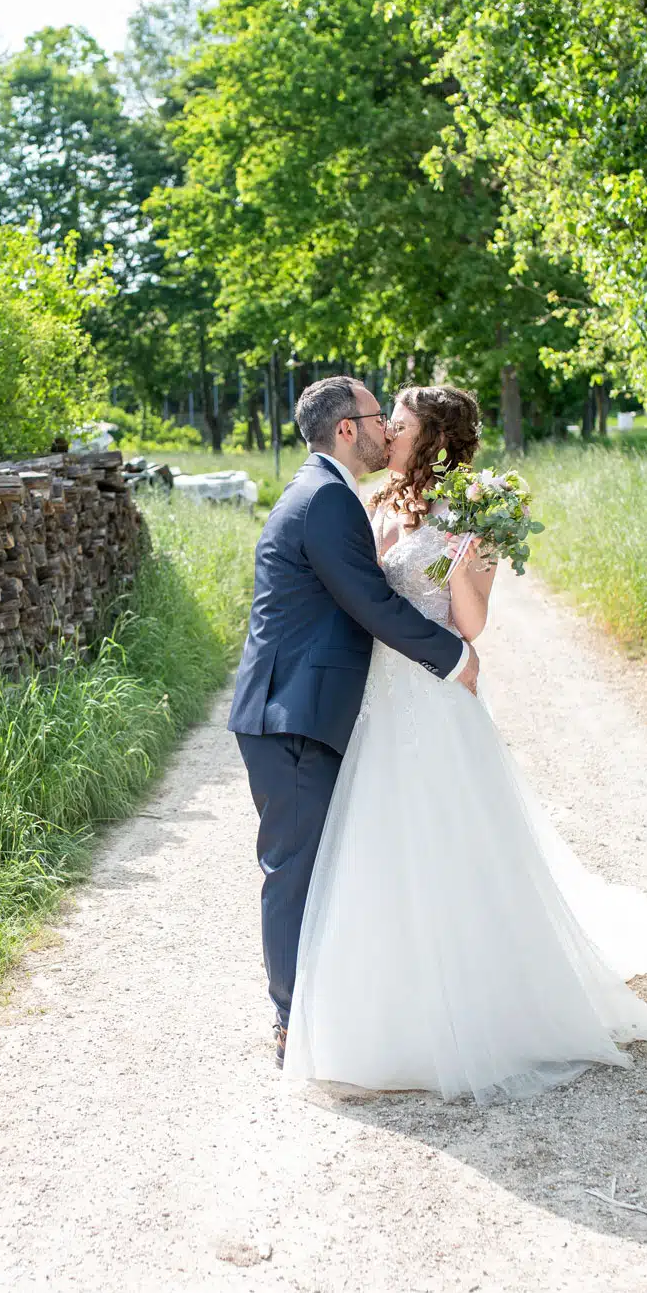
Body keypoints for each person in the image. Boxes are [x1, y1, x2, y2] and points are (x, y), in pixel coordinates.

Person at [280, 384, 647, 1102]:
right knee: (382, 848)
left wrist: (463, 564)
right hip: (380, 697)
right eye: (386, 416)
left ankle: (478, 1002)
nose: (387, 426)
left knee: (454, 847)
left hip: (437, 698)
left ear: (432, 435)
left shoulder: (471, 511)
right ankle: (385, 1009)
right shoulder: (375, 503)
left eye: (401, 419)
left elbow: (471, 627)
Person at [228, 375, 478, 1070]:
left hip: (302, 707)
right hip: (294, 715)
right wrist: (454, 656)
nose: (386, 430)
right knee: (294, 872)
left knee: (323, 867)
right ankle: (288, 1024)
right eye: (377, 418)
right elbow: (371, 601)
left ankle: (318, 1011)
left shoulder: (326, 492)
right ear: (347, 429)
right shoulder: (330, 501)